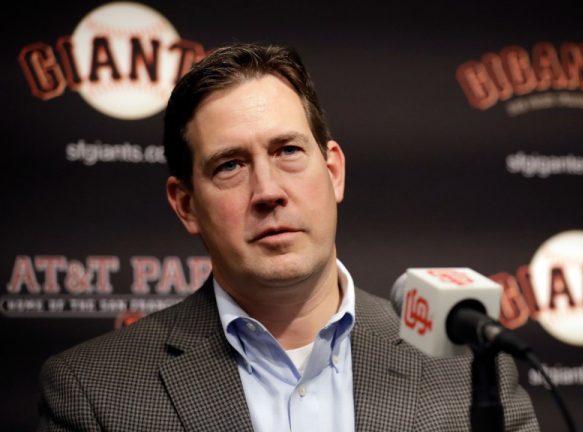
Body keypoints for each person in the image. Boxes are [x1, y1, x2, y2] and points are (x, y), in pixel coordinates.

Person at [38, 42, 540, 432]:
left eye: (287, 151)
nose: (268, 191)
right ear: (186, 204)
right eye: (230, 165)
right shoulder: (95, 391)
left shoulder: (461, 371)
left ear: (334, 172)